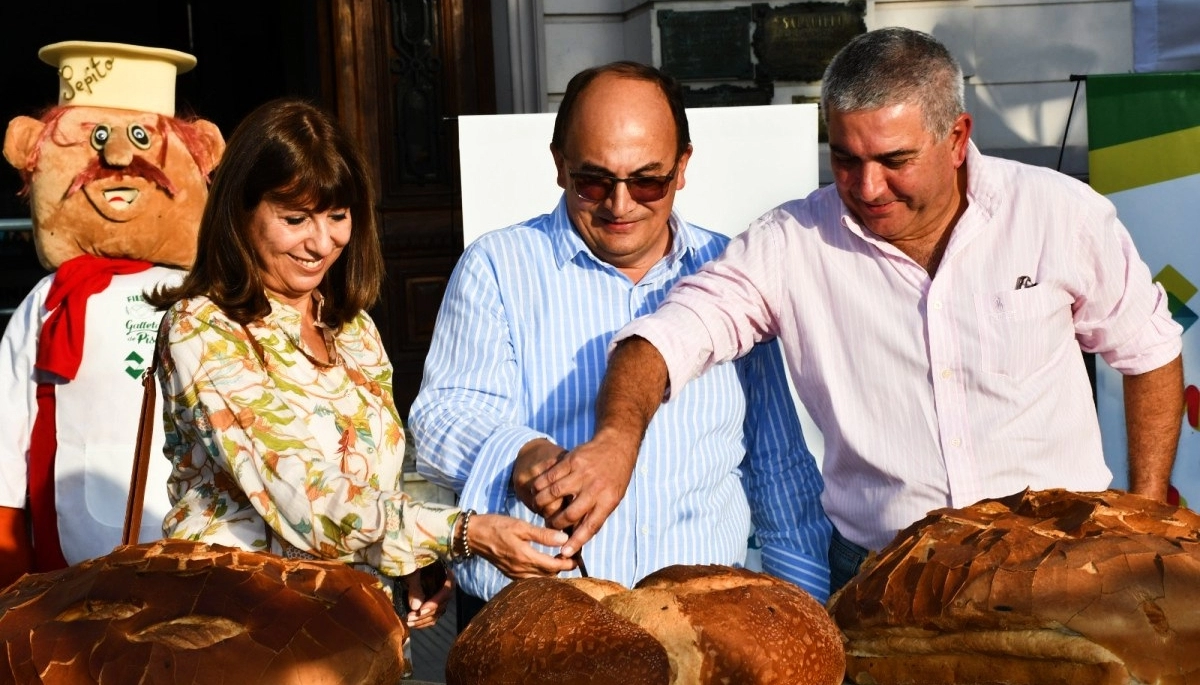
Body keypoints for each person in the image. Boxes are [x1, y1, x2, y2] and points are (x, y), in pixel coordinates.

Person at [528, 28, 1186, 594]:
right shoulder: (792, 244)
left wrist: (1146, 509)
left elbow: (1148, 347)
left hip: (1057, 563)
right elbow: (665, 339)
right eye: (845, 159)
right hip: (882, 575)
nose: (867, 187)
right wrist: (617, 441)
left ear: (956, 137)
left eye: (894, 160)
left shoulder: (1059, 214)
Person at [408, 61, 831, 628]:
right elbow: (440, 416)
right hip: (535, 621)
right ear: (558, 165)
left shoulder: (729, 272)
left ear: (683, 167)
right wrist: (522, 453)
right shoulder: (499, 266)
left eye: (647, 181)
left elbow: (777, 466)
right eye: (594, 181)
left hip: (699, 620)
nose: (621, 204)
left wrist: (807, 616)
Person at [146, 98, 575, 628]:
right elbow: (299, 492)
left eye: (337, 216)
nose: (322, 242)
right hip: (239, 630)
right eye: (295, 218)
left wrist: (415, 564)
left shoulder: (353, 329)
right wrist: (460, 532)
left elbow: (380, 478)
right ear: (240, 210)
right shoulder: (203, 326)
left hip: (354, 628)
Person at [0, 41, 225, 587]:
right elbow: (8, 425)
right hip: (74, 547)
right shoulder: (48, 302)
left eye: (144, 140)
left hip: (201, 540)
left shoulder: (209, 295)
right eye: (96, 141)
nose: (121, 159)